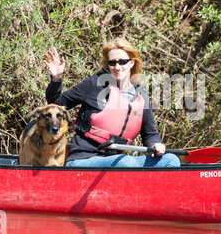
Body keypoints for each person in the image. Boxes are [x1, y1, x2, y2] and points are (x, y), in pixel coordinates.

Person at [43, 38, 180, 168]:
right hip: (84, 159)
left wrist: (155, 144)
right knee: (127, 163)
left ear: (132, 62)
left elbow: (149, 134)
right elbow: (57, 103)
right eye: (112, 62)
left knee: (171, 160)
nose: (117, 67)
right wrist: (57, 79)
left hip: (118, 161)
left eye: (122, 62)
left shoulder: (141, 97)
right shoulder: (94, 85)